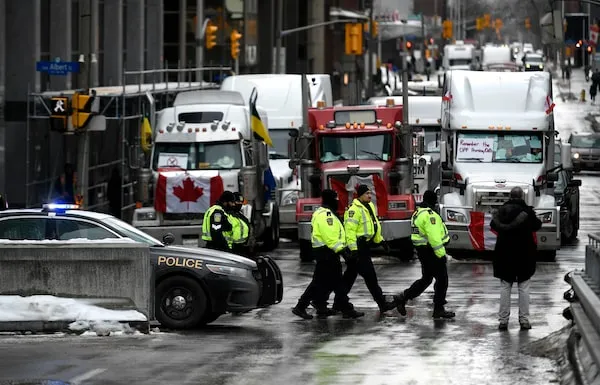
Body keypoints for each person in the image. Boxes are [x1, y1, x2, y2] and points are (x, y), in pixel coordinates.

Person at [292, 189, 361, 320]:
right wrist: (343, 252)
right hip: (327, 253)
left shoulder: (325, 213)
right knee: (334, 282)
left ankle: (319, 305)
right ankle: (344, 308)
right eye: (335, 198)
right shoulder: (326, 215)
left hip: (326, 252)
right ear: (330, 199)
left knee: (322, 282)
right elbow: (331, 237)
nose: (337, 201)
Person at [333, 184, 396, 315]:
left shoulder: (370, 207)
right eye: (367, 193)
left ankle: (338, 304)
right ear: (360, 195)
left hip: (364, 247)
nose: (369, 195)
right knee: (370, 277)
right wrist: (354, 250)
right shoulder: (353, 210)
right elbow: (349, 231)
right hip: (358, 248)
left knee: (349, 278)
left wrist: (381, 241)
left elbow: (374, 225)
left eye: (370, 193)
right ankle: (382, 303)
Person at [394, 190, 455, 319]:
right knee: (442, 280)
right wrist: (441, 254)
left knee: (426, 279)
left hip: (423, 251)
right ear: (432, 201)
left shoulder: (417, 213)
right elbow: (434, 238)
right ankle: (438, 308)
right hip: (432, 252)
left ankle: (403, 297)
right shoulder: (429, 215)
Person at [490, 186, 542, 331]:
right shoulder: (527, 212)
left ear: (510, 196)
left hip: (504, 253)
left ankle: (503, 321)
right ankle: (524, 320)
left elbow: (493, 225)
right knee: (524, 287)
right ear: (522, 196)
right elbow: (537, 225)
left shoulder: (501, 211)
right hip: (524, 253)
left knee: (505, 287)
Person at [227, 192, 251, 257]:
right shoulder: (226, 215)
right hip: (230, 249)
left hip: (242, 248)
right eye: (237, 202)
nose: (239, 204)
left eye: (241, 203)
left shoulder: (242, 216)